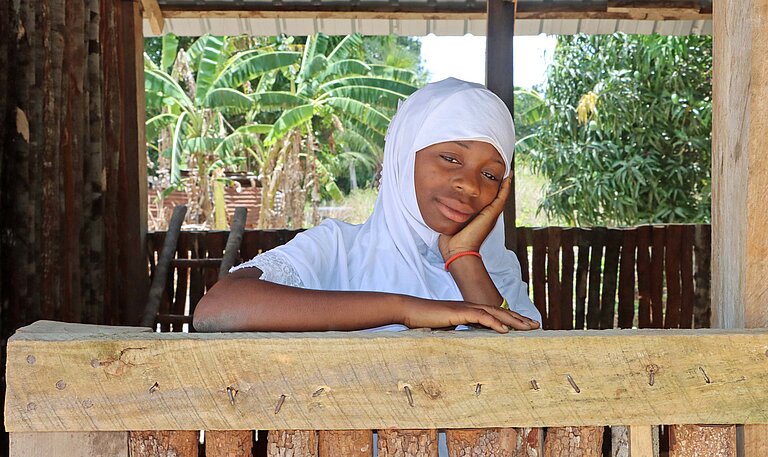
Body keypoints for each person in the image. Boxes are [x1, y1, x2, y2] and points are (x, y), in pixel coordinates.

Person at [193, 77, 542, 335]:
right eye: (451, 158)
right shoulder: (339, 249)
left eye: (492, 175)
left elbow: (529, 373)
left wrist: (463, 258)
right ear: (404, 158)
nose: (470, 184)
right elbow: (217, 310)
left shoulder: (495, 271)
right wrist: (404, 309)